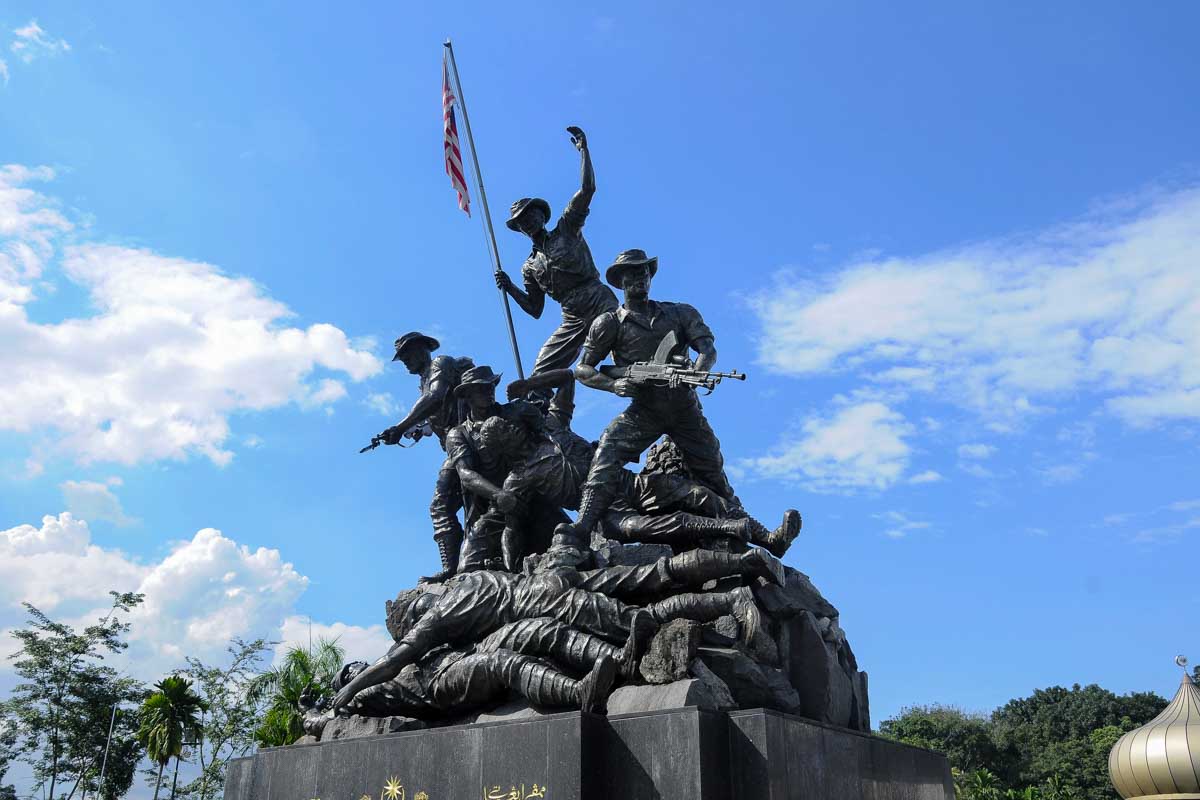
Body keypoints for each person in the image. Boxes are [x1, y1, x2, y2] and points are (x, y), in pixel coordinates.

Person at [330, 543, 783, 711]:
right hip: (553, 581)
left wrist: (346, 694)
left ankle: (728, 598)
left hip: (553, 603)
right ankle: (740, 566)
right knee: (655, 575)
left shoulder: (438, 615)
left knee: (638, 617)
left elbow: (393, 662)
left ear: (414, 610)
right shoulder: (467, 579)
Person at [566, 249, 739, 541]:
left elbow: (707, 351)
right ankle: (583, 524)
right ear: (620, 281)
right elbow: (582, 369)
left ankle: (739, 523)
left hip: (683, 407)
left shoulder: (680, 313)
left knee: (711, 466)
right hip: (644, 410)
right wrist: (613, 385)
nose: (639, 278)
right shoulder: (608, 323)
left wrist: (697, 372)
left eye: (644, 272)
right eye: (632, 273)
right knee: (606, 456)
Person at [494, 126, 618, 378]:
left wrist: (584, 152)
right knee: (540, 374)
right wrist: (509, 287)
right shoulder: (529, 266)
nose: (526, 221)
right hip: (571, 315)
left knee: (622, 352)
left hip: (597, 299)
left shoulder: (566, 229)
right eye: (520, 221)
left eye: (529, 215)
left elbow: (587, 190)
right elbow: (535, 309)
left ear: (541, 214)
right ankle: (542, 413)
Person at [373, 332, 474, 582]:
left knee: (441, 505)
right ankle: (460, 565)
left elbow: (436, 397)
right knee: (455, 505)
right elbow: (434, 412)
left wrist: (400, 426)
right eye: (402, 357)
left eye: (407, 355)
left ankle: (456, 567)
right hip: (453, 445)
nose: (405, 361)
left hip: (467, 440)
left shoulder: (440, 364)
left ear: (421, 350)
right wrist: (415, 429)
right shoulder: (423, 379)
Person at [442, 365, 548, 572]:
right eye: (481, 389)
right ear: (467, 396)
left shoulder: (518, 410)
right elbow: (466, 475)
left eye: (490, 386)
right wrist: (500, 496)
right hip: (498, 505)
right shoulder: (459, 434)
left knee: (577, 543)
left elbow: (550, 435)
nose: (488, 391)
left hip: (536, 497)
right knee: (467, 568)